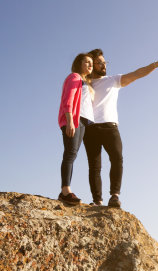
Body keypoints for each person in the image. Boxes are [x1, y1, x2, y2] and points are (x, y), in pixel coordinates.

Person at [84, 48, 158, 208]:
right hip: (90, 129)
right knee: (94, 166)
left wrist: (153, 65)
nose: (103, 65)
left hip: (110, 127)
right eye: (99, 63)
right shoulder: (85, 84)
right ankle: (97, 201)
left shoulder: (113, 80)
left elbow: (136, 74)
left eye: (104, 62)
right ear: (92, 65)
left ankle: (114, 196)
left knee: (117, 158)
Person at [57, 53, 95, 205]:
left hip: (83, 121)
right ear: (79, 64)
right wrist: (70, 121)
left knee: (73, 153)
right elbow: (68, 99)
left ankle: (65, 191)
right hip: (74, 119)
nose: (90, 65)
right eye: (87, 62)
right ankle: (65, 191)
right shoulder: (75, 77)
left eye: (91, 63)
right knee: (70, 153)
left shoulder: (85, 82)